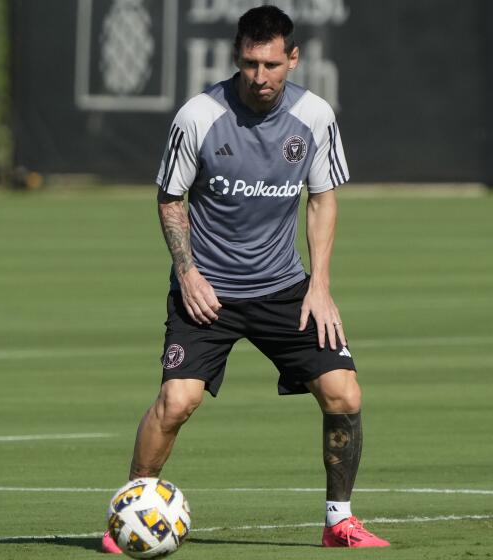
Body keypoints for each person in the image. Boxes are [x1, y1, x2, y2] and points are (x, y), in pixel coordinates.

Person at [102, 5, 389, 551]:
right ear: (238, 56)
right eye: (251, 64)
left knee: (344, 395)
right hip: (208, 290)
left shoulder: (315, 116)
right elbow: (170, 198)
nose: (260, 77)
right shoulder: (198, 116)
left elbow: (323, 199)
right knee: (176, 402)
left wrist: (320, 286)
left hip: (285, 287)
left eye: (272, 65)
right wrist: (188, 274)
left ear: (293, 58)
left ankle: (339, 522)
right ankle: (130, 514)